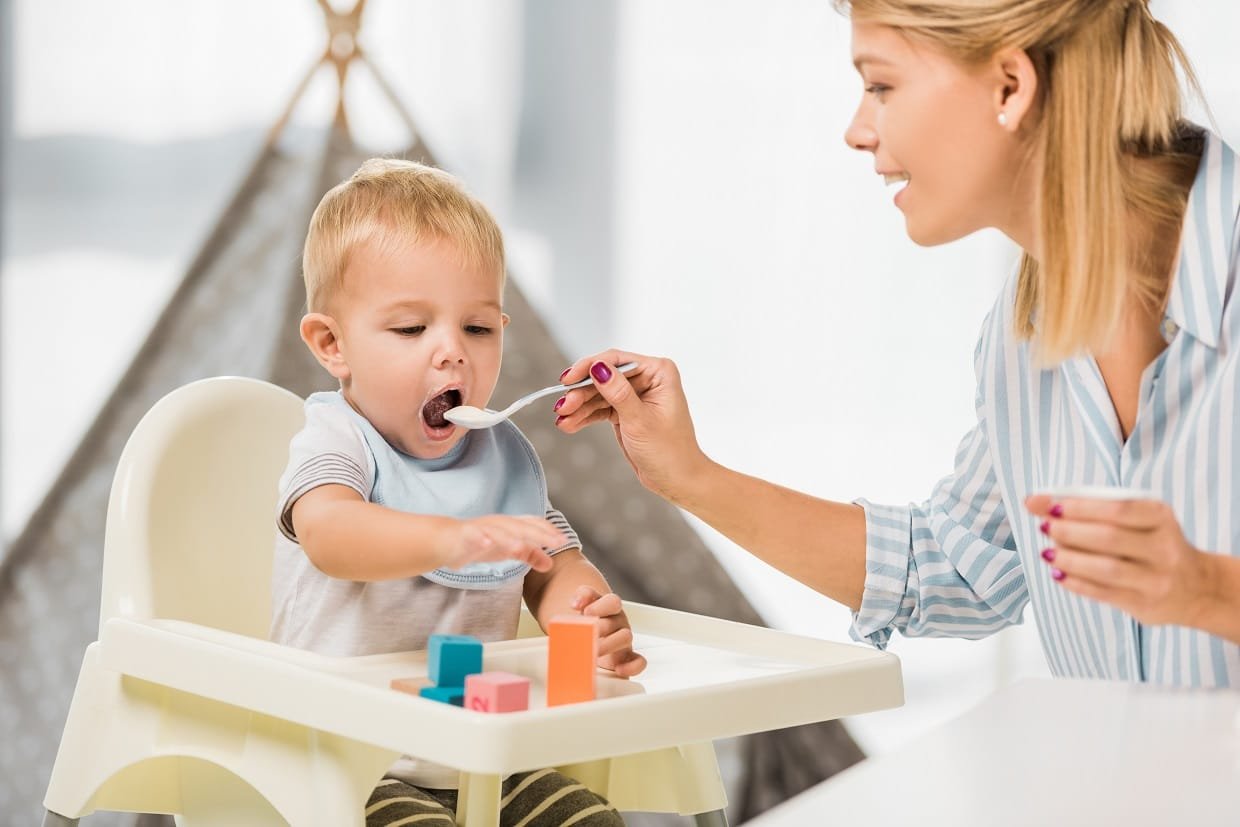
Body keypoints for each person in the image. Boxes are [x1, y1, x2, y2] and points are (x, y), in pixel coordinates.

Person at [554, 0, 1240, 687]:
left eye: (881, 85)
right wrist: (686, 473)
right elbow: (957, 565)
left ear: (1010, 86)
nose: (857, 130)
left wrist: (1207, 588)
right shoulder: (1020, 338)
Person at [272, 158, 641, 827]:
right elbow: (330, 534)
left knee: (594, 820)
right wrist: (448, 537)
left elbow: (551, 556)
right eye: (412, 328)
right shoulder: (338, 440)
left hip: (483, 756)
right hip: (343, 758)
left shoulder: (500, 460)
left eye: (477, 327)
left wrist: (580, 616)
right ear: (333, 343)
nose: (453, 353)